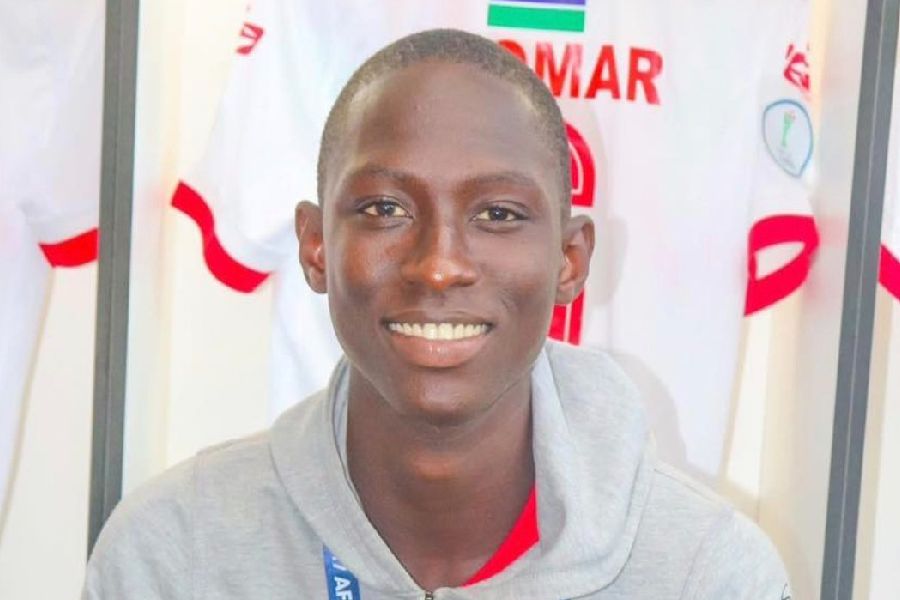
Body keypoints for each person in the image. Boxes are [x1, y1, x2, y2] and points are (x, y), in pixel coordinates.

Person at [83, 29, 791, 599]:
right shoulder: (173, 554)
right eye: (385, 208)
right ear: (316, 246)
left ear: (570, 260)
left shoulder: (710, 575)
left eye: (499, 214)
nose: (439, 265)